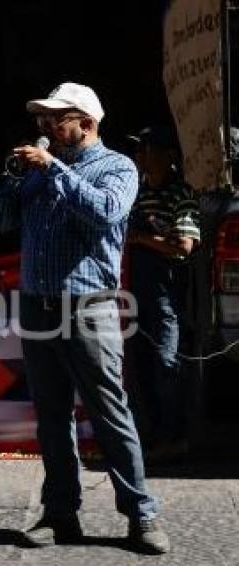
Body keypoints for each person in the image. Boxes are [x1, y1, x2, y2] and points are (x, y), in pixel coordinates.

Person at [0, 82, 170, 554]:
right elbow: (2, 222)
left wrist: (52, 170)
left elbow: (105, 213)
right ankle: (60, 513)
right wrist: (7, 180)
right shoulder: (37, 172)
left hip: (88, 307)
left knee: (110, 412)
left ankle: (141, 515)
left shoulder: (117, 167)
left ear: (86, 123)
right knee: (52, 415)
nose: (44, 128)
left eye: (55, 119)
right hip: (38, 305)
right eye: (41, 121)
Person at [126, 126, 200, 463]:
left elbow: (183, 246)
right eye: (140, 150)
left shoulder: (180, 193)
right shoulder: (136, 194)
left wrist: (141, 240)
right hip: (136, 293)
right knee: (140, 365)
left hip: (166, 293)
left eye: (149, 150)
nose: (142, 156)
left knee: (167, 362)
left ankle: (175, 435)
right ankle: (155, 435)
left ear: (168, 156)